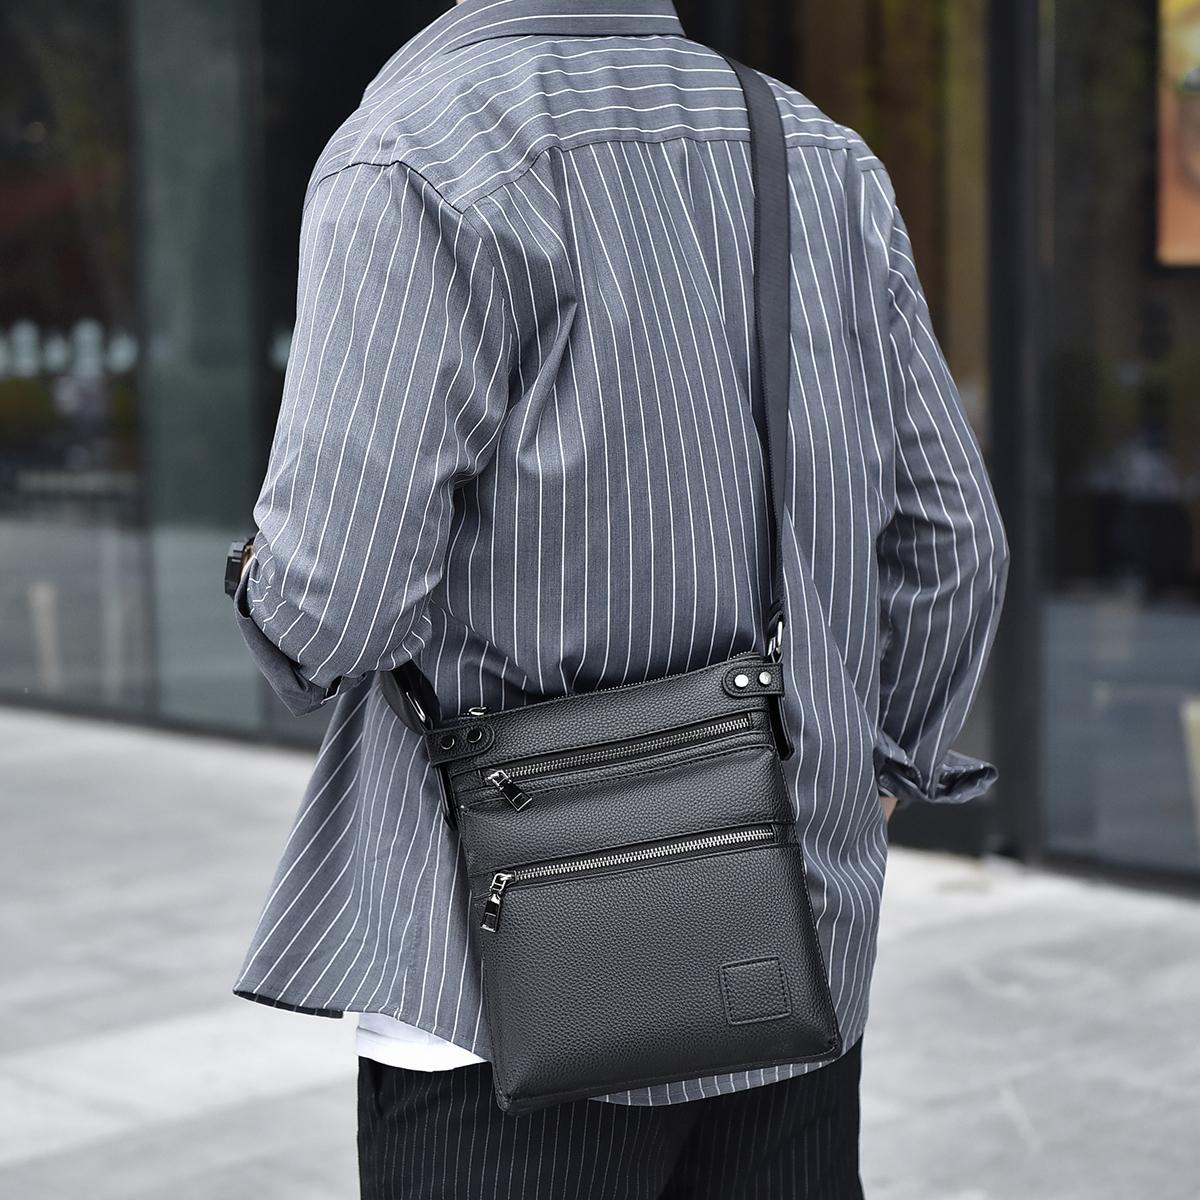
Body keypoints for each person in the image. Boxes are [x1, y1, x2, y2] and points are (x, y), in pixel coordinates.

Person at [227, 1, 1009, 1195]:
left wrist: (260, 592)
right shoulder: (813, 150)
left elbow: (334, 605)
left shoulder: (417, 155)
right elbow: (954, 541)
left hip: (501, 980)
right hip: (779, 946)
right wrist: (870, 770)